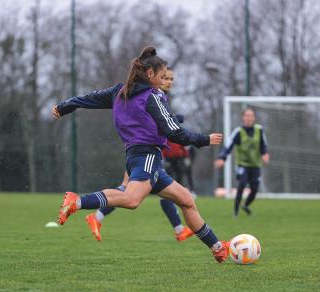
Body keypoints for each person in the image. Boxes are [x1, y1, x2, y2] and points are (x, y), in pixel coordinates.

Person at [52, 46, 229, 263]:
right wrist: (204, 139)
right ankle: (77, 202)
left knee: (186, 200)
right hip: (146, 155)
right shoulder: (153, 95)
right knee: (131, 199)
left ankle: (218, 248)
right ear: (151, 74)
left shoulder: (119, 91)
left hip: (140, 156)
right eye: (163, 76)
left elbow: (88, 98)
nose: (166, 81)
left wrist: (65, 106)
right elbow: (174, 132)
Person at [84, 70, 193, 242]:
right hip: (142, 152)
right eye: (165, 78)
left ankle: (179, 229)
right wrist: (177, 119)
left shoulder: (159, 96)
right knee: (129, 190)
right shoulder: (149, 95)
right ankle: (94, 215)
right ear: (155, 77)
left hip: (152, 152)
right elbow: (154, 121)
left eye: (171, 79)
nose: (169, 82)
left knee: (160, 191)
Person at [214, 108, 269, 217]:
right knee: (242, 183)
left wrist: (265, 154)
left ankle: (246, 205)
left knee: (254, 188)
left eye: (251, 116)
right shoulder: (238, 132)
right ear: (243, 118)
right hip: (242, 164)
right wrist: (222, 158)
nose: (249, 118)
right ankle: (236, 211)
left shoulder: (259, 130)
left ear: (254, 118)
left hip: (256, 165)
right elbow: (228, 146)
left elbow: (264, 145)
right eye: (247, 115)